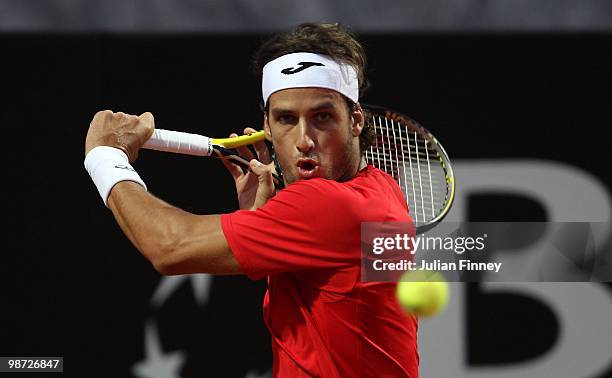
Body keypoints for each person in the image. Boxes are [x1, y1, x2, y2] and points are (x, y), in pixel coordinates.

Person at [84, 23, 418, 377]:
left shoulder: (328, 205)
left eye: (322, 117)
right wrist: (260, 217)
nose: (304, 140)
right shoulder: (382, 189)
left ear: (355, 120)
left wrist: (106, 156)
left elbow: (169, 247)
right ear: (267, 126)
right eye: (286, 119)